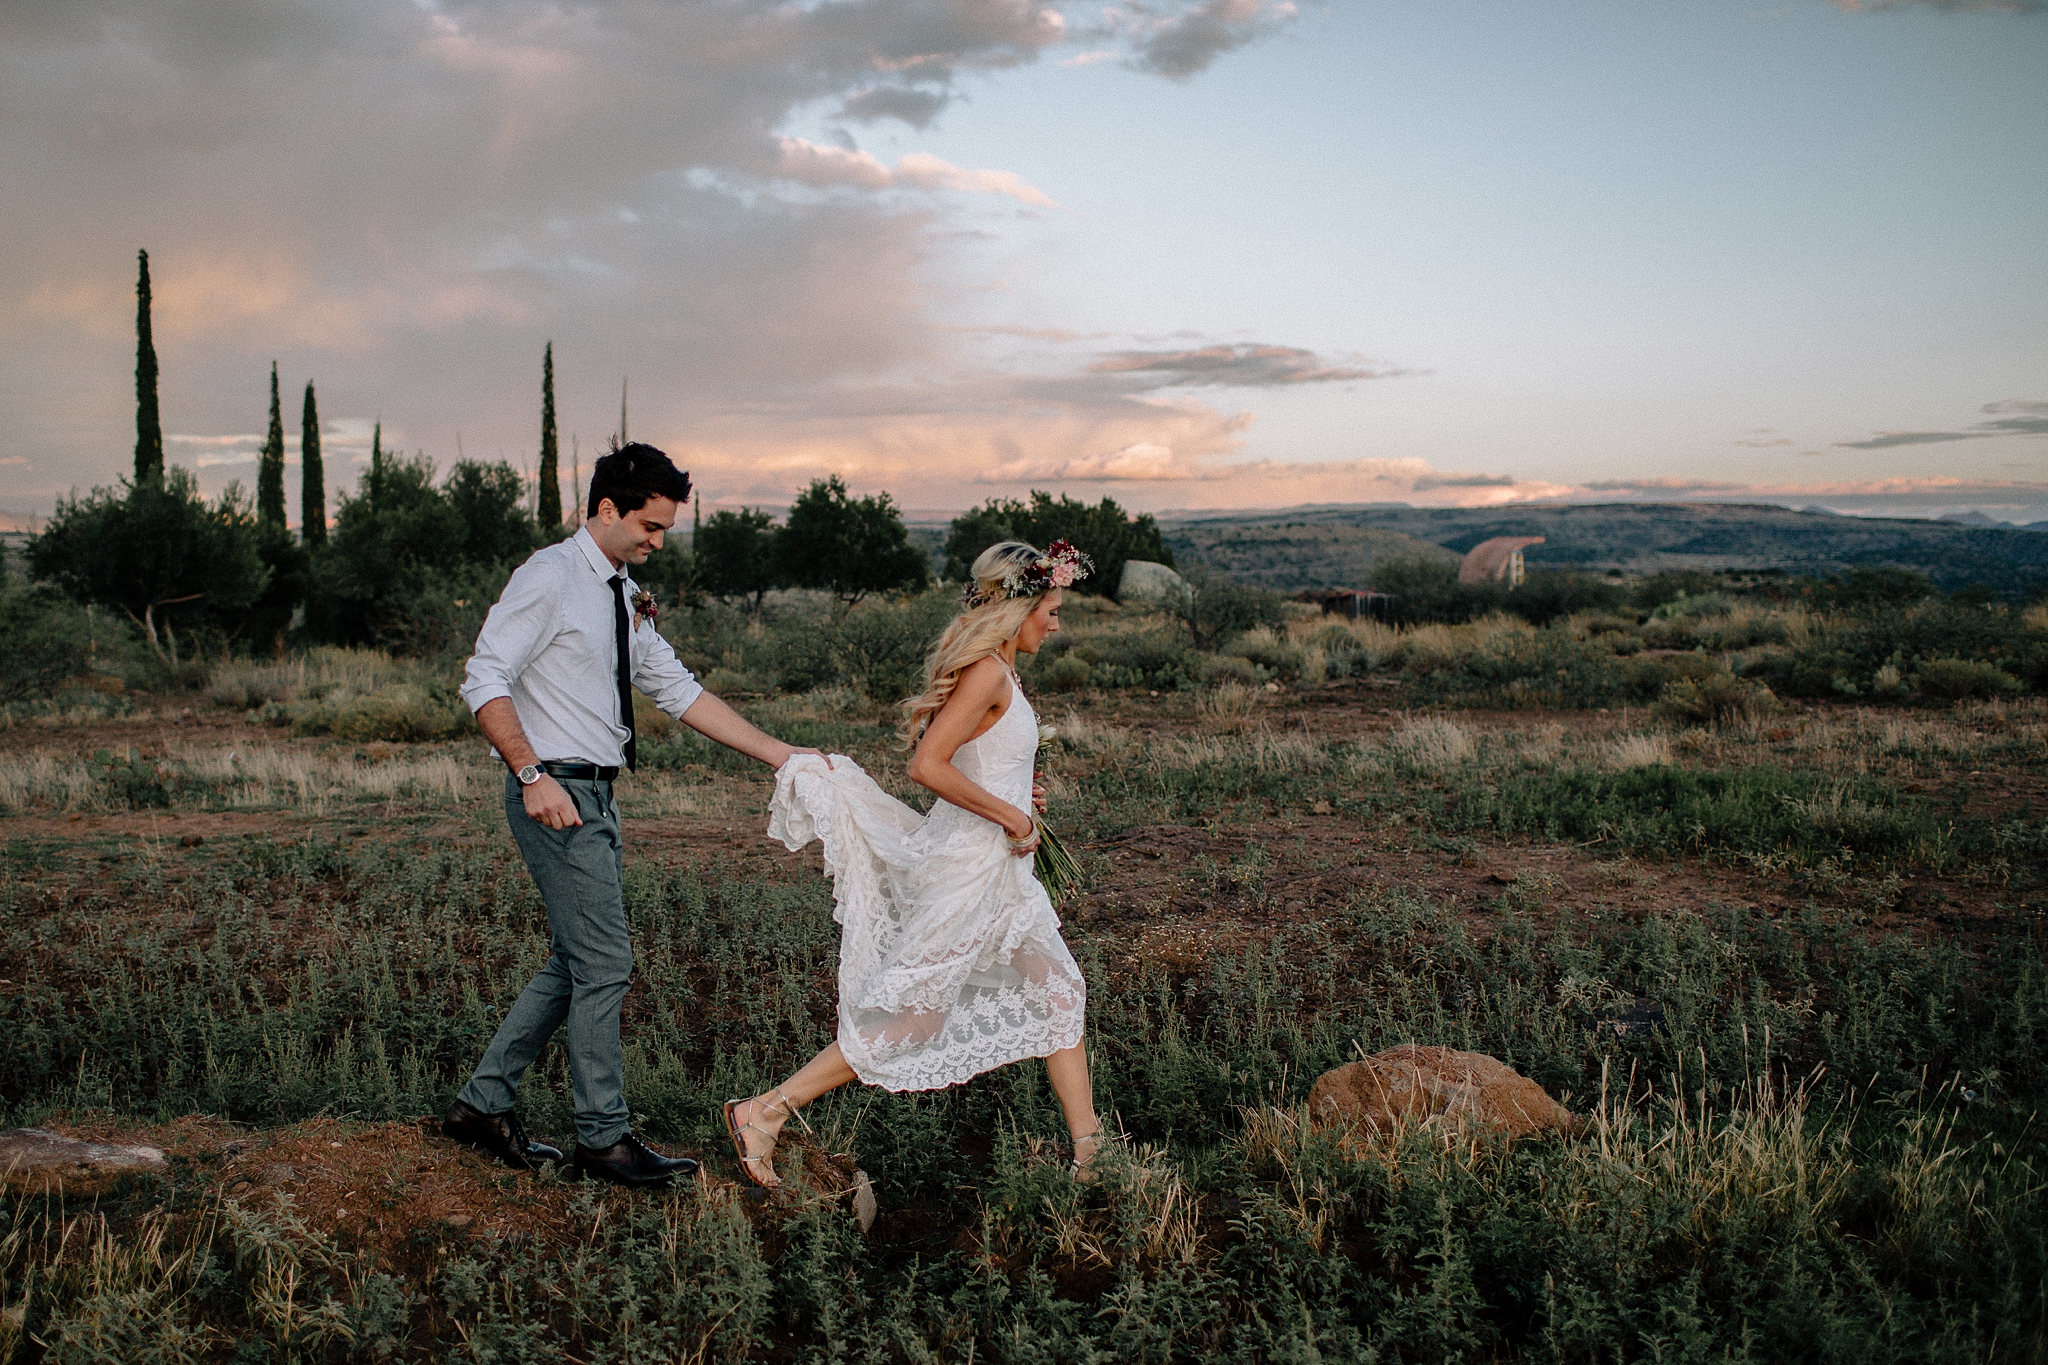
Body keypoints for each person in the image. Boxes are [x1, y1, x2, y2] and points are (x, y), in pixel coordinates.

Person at [442, 441, 828, 1189]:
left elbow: (679, 690)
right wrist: (531, 774)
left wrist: (785, 754)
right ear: (607, 508)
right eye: (649, 527)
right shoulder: (550, 576)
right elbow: (483, 676)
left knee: (576, 960)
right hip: (555, 793)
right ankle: (603, 1138)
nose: (657, 543)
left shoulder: (621, 593)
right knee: (608, 963)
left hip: (597, 794)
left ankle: (482, 1106)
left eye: (665, 531)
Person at [723, 540, 1105, 1189]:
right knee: (916, 1018)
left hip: (1002, 875)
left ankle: (1092, 1154)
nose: (1058, 621)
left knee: (1061, 990)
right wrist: (1012, 815)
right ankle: (764, 1110)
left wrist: (1019, 796)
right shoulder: (987, 670)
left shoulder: (1005, 673)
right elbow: (927, 765)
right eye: (1054, 607)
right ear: (1021, 606)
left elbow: (981, 762)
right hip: (969, 871)